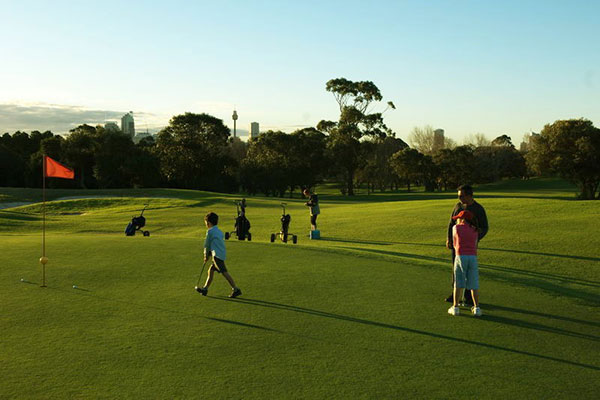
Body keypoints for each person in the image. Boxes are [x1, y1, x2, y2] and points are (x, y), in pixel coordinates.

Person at [445, 184, 488, 306]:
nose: (459, 198)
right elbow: (451, 223)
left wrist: (474, 238)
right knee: (456, 269)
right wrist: (449, 238)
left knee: (469, 271)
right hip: (457, 245)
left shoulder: (478, 209)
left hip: (470, 247)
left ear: (469, 195)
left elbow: (484, 227)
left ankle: (469, 296)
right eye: (459, 196)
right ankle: (455, 295)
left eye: (462, 196)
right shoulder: (458, 207)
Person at [196, 212, 242, 298]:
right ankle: (205, 288)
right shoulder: (219, 231)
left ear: (208, 223)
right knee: (211, 270)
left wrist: (206, 255)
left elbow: (207, 245)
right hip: (220, 254)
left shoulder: (209, 232)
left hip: (217, 256)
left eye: (206, 223)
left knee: (224, 272)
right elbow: (214, 244)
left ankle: (235, 289)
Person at [447, 210, 482, 317]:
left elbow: (454, 243)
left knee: (458, 281)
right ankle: (476, 308)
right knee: (473, 283)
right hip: (472, 257)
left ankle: (455, 307)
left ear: (462, 219)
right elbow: (475, 244)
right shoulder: (475, 230)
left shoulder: (456, 228)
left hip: (460, 256)